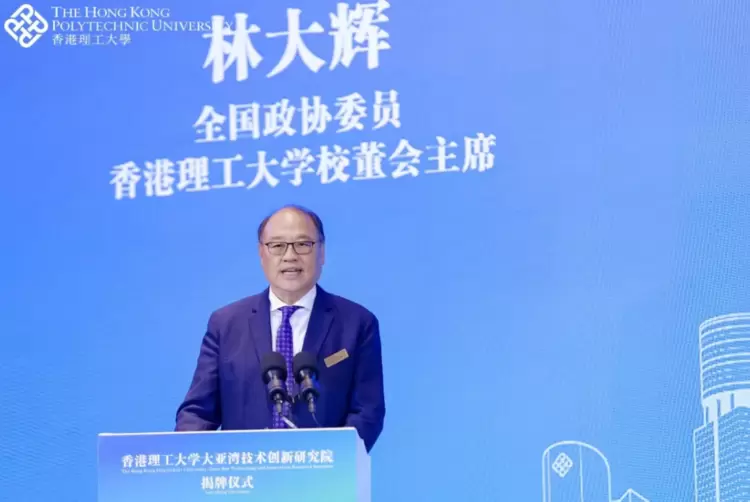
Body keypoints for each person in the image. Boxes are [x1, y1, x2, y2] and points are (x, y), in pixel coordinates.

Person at [174, 204, 385, 452]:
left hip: (323, 471)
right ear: (261, 253)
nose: (290, 256)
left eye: (303, 244)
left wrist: (334, 460)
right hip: (245, 471)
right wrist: (187, 459)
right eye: (277, 245)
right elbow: (198, 411)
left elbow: (367, 411)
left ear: (322, 252)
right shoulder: (226, 323)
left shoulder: (357, 323)